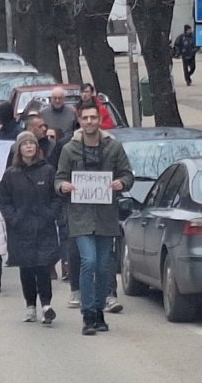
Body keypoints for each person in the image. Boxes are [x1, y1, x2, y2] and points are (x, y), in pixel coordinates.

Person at [55, 101, 133, 336]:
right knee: (88, 261)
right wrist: (63, 186)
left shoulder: (113, 147)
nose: (89, 122)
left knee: (103, 265)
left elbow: (128, 174)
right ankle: (88, 313)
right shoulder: (70, 149)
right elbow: (58, 178)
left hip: (105, 215)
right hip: (80, 216)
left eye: (93, 118)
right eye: (85, 118)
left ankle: (99, 310)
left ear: (99, 120)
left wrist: (122, 183)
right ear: (79, 120)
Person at [0, 132, 61, 325]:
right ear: (19, 149)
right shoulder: (11, 174)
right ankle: (30, 306)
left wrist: (50, 214)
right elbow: (3, 200)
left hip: (43, 228)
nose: (28, 147)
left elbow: (56, 197)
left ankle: (46, 305)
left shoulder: (48, 170)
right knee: (26, 269)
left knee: (43, 266)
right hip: (21, 229)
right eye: (24, 144)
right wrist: (14, 219)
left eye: (31, 144)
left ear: (37, 148)